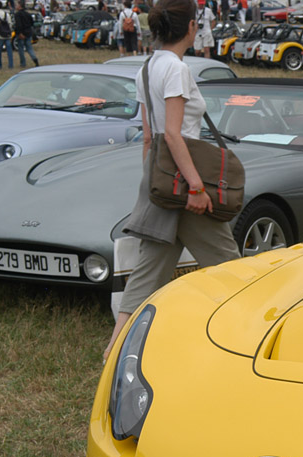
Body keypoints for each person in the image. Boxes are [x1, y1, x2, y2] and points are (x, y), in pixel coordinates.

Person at [105, 0, 240, 359]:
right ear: (193, 27)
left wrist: (155, 185)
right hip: (186, 185)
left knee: (148, 272)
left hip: (161, 180)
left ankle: (114, 352)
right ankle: (240, 338)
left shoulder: (147, 68)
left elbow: (150, 138)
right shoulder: (177, 70)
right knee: (232, 268)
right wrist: (195, 187)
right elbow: (175, 134)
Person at [13, 0, 37, 66]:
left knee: (21, 49)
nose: (15, 6)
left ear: (20, 6)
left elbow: (18, 25)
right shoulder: (28, 14)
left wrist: (20, 33)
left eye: (17, 5)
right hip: (28, 32)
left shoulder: (17, 14)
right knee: (29, 48)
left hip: (21, 33)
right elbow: (32, 23)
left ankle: (23, 63)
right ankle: (34, 59)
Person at [0, 1, 14, 69]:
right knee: (9, 50)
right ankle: (11, 65)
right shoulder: (6, 13)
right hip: (7, 34)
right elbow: (10, 23)